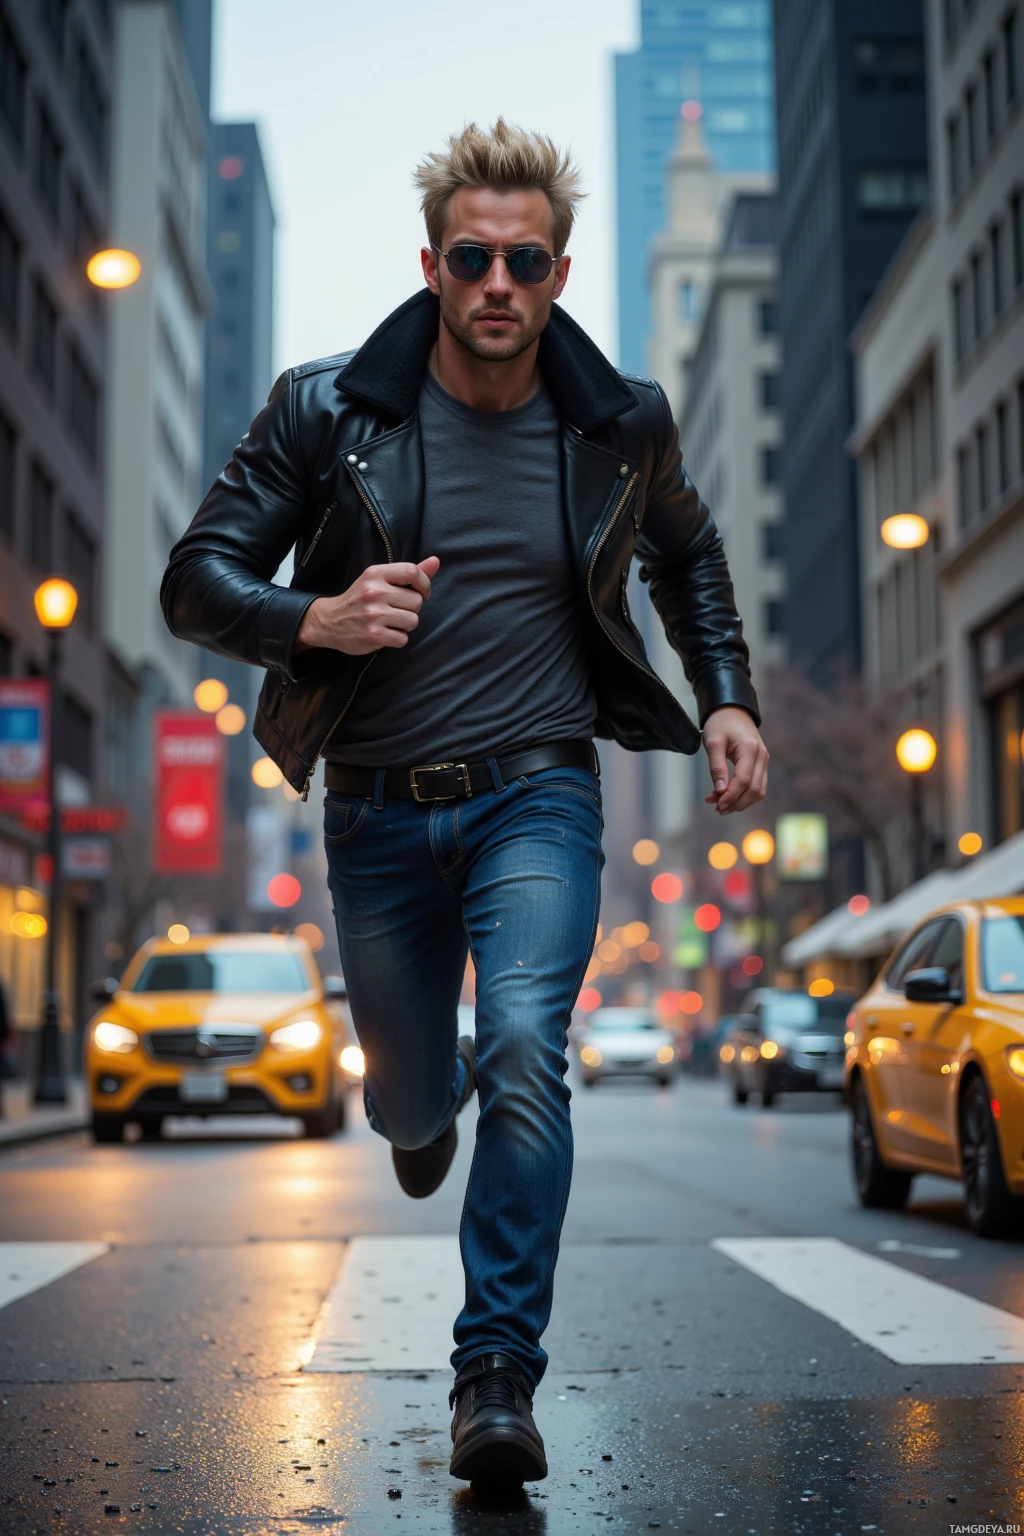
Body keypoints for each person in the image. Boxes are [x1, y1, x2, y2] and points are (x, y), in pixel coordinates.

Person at [161, 119, 768, 1487]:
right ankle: (414, 1118)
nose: (500, 282)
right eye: (475, 258)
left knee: (526, 1051)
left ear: (557, 275)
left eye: (527, 260)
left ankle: (496, 1374)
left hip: (540, 797)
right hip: (375, 813)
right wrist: (313, 615)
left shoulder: (621, 423)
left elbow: (693, 556)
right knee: (412, 1098)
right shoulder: (325, 410)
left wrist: (728, 693)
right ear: (433, 266)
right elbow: (196, 578)